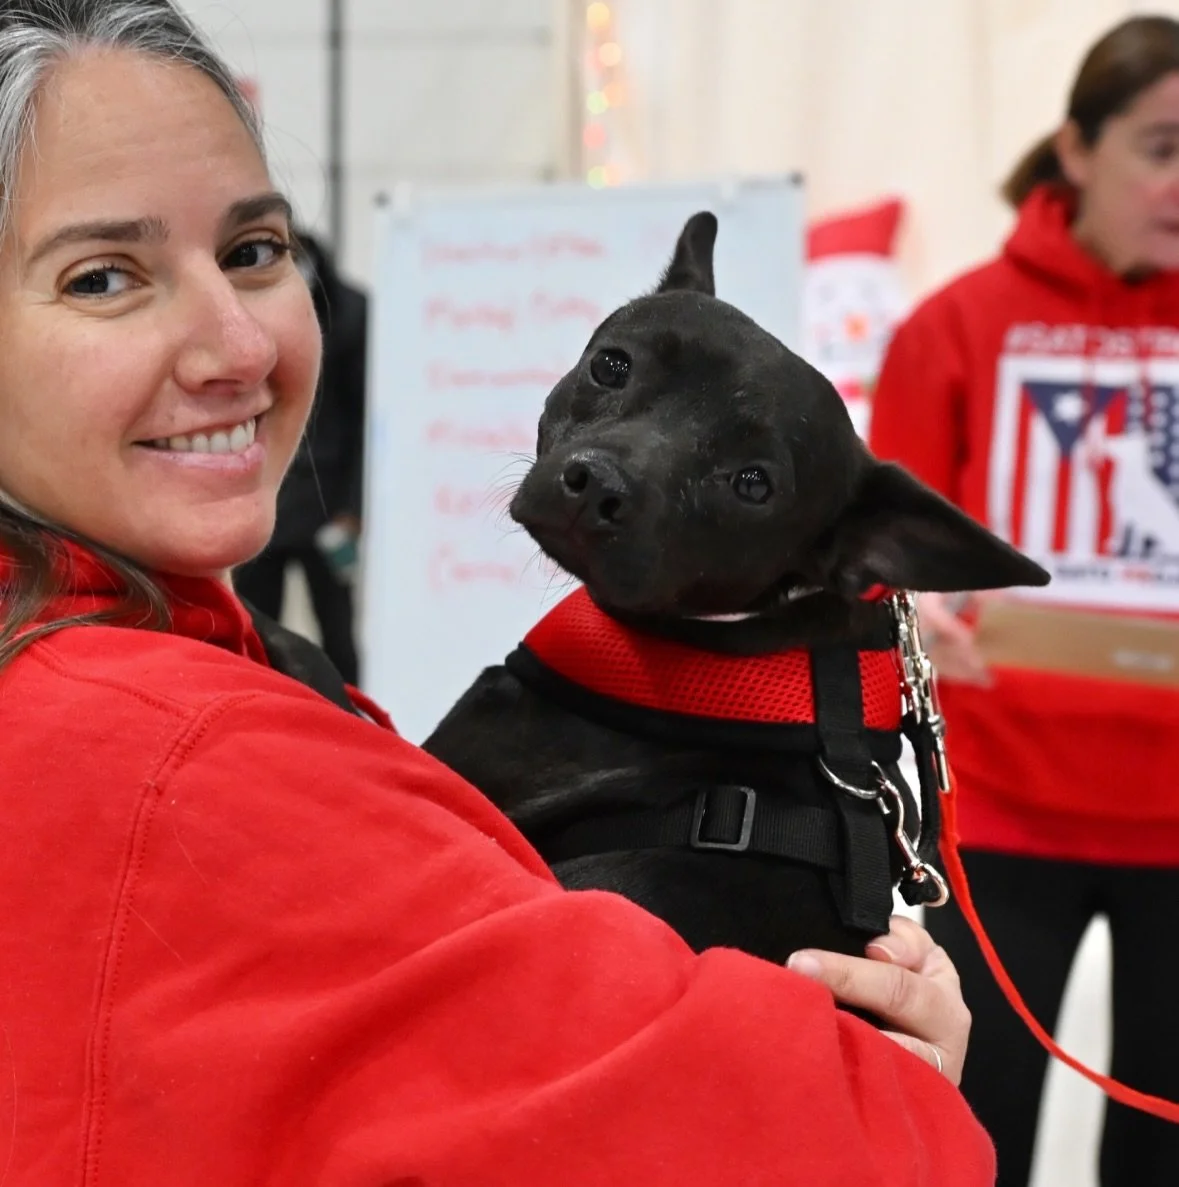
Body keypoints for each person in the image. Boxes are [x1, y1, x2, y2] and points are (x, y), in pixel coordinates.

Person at [0, 2, 991, 1183]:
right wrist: (904, 1088)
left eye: (257, 252)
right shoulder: (182, 756)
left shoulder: (187, 657)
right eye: (104, 276)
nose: (238, 345)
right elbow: (835, 1144)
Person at [869, 15, 1179, 1187]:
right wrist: (912, 608)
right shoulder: (954, 327)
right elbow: (884, 558)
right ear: (1076, 146)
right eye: (1159, 147)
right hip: (999, 811)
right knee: (973, 1130)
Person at [233, 229, 367, 686]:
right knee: (254, 627)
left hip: (328, 504)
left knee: (337, 632)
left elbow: (364, 423)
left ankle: (351, 720)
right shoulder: (241, 311)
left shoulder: (351, 313)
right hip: (269, 496)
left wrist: (353, 508)